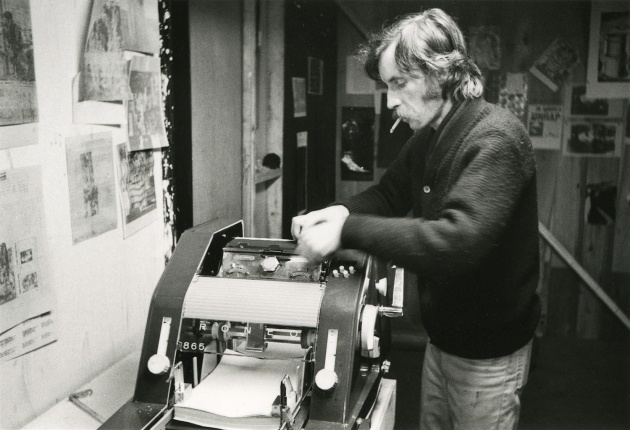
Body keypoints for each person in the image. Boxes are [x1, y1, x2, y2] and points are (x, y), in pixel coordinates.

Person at [291, 8, 540, 430]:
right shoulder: (429, 137)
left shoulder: (495, 137)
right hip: (442, 341)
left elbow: (455, 241)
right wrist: (341, 212)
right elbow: (390, 194)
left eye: (399, 84)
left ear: (440, 73)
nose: (390, 101)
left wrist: (345, 231)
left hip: (489, 354)